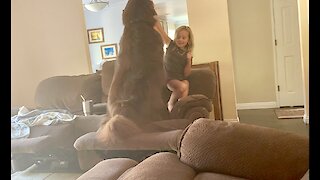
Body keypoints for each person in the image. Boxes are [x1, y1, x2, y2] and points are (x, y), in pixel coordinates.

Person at [153, 17, 194, 112]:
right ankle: (171, 103)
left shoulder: (187, 54)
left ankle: (181, 105)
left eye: (184, 38)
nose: (180, 40)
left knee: (186, 83)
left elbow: (186, 74)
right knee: (183, 86)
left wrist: (188, 60)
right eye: (178, 37)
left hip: (179, 78)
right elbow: (162, 32)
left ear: (188, 40)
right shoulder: (171, 45)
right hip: (168, 78)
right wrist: (155, 21)